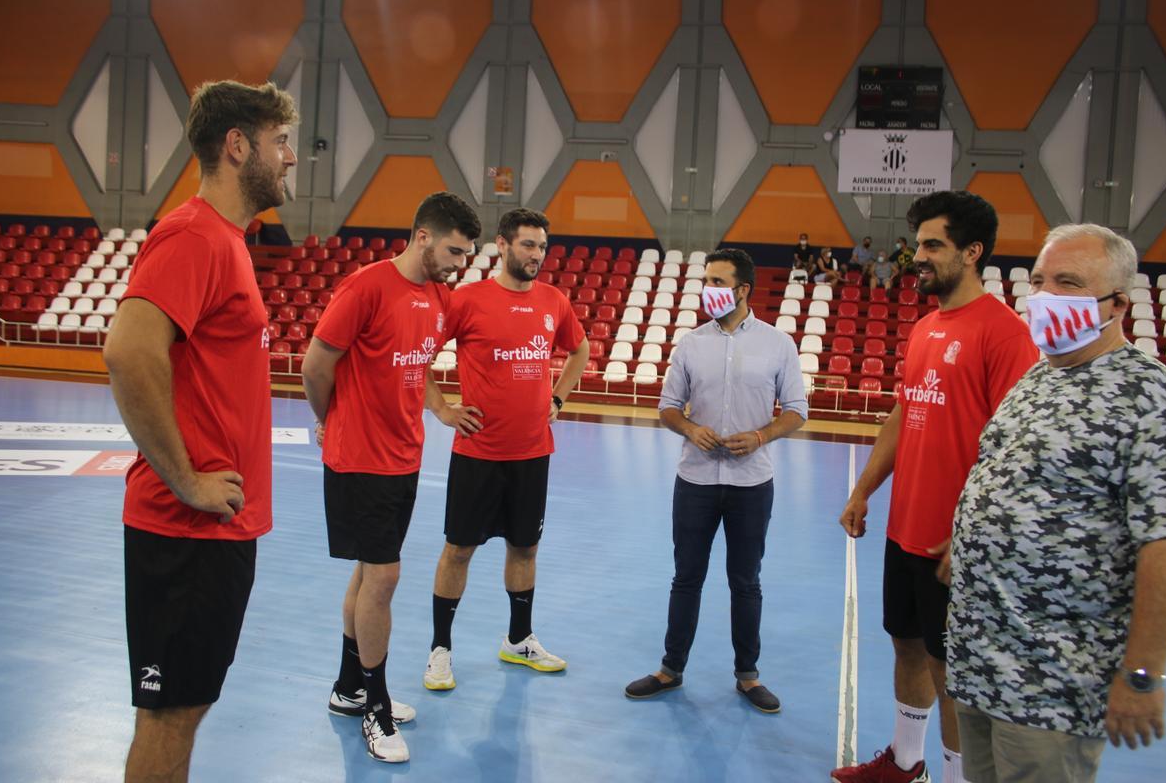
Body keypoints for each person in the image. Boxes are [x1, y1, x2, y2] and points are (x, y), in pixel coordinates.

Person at [947, 223, 1166, 783]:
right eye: (1039, 280)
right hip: (981, 660)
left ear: (1117, 305)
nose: (1046, 295)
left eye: (1068, 282)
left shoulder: (1146, 395)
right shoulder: (1038, 376)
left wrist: (1141, 675)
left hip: (1053, 679)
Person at [103, 80, 298, 783]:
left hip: (216, 532)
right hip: (182, 530)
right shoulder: (193, 236)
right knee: (168, 713)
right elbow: (128, 351)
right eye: (281, 143)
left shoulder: (228, 241)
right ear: (237, 145)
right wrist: (184, 480)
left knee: (186, 707)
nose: (292, 159)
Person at [831, 191, 1038, 783]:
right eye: (917, 243)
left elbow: (1015, 449)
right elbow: (904, 413)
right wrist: (863, 489)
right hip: (906, 527)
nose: (917, 255)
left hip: (955, 543)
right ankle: (904, 760)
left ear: (973, 252)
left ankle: (954, 777)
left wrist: (974, 533)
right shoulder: (924, 328)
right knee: (907, 645)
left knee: (954, 671)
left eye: (932, 245)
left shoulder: (1005, 335)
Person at [301, 192, 482, 763]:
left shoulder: (436, 296)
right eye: (454, 250)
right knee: (383, 579)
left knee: (367, 573)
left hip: (404, 456)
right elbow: (315, 364)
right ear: (423, 235)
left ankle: (349, 687)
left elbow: (418, 364)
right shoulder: (365, 288)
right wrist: (327, 420)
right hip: (360, 460)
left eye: (467, 254)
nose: (460, 262)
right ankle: (374, 707)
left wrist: (441, 408)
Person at [625, 248, 807, 712]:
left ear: (743, 289)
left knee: (746, 582)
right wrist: (689, 428)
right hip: (696, 480)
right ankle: (670, 669)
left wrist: (762, 436)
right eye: (706, 280)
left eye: (718, 282)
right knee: (686, 577)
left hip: (752, 484)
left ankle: (748, 676)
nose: (709, 290)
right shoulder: (691, 343)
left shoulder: (777, 344)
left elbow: (797, 412)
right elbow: (667, 406)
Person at [423, 207, 590, 690]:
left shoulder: (554, 301)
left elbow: (578, 349)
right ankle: (440, 649)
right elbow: (420, 353)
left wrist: (558, 396)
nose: (537, 254)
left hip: (532, 452)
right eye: (528, 245)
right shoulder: (466, 300)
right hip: (477, 453)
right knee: (458, 550)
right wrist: (442, 410)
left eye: (542, 246)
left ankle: (519, 639)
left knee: (525, 547)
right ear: (502, 244)